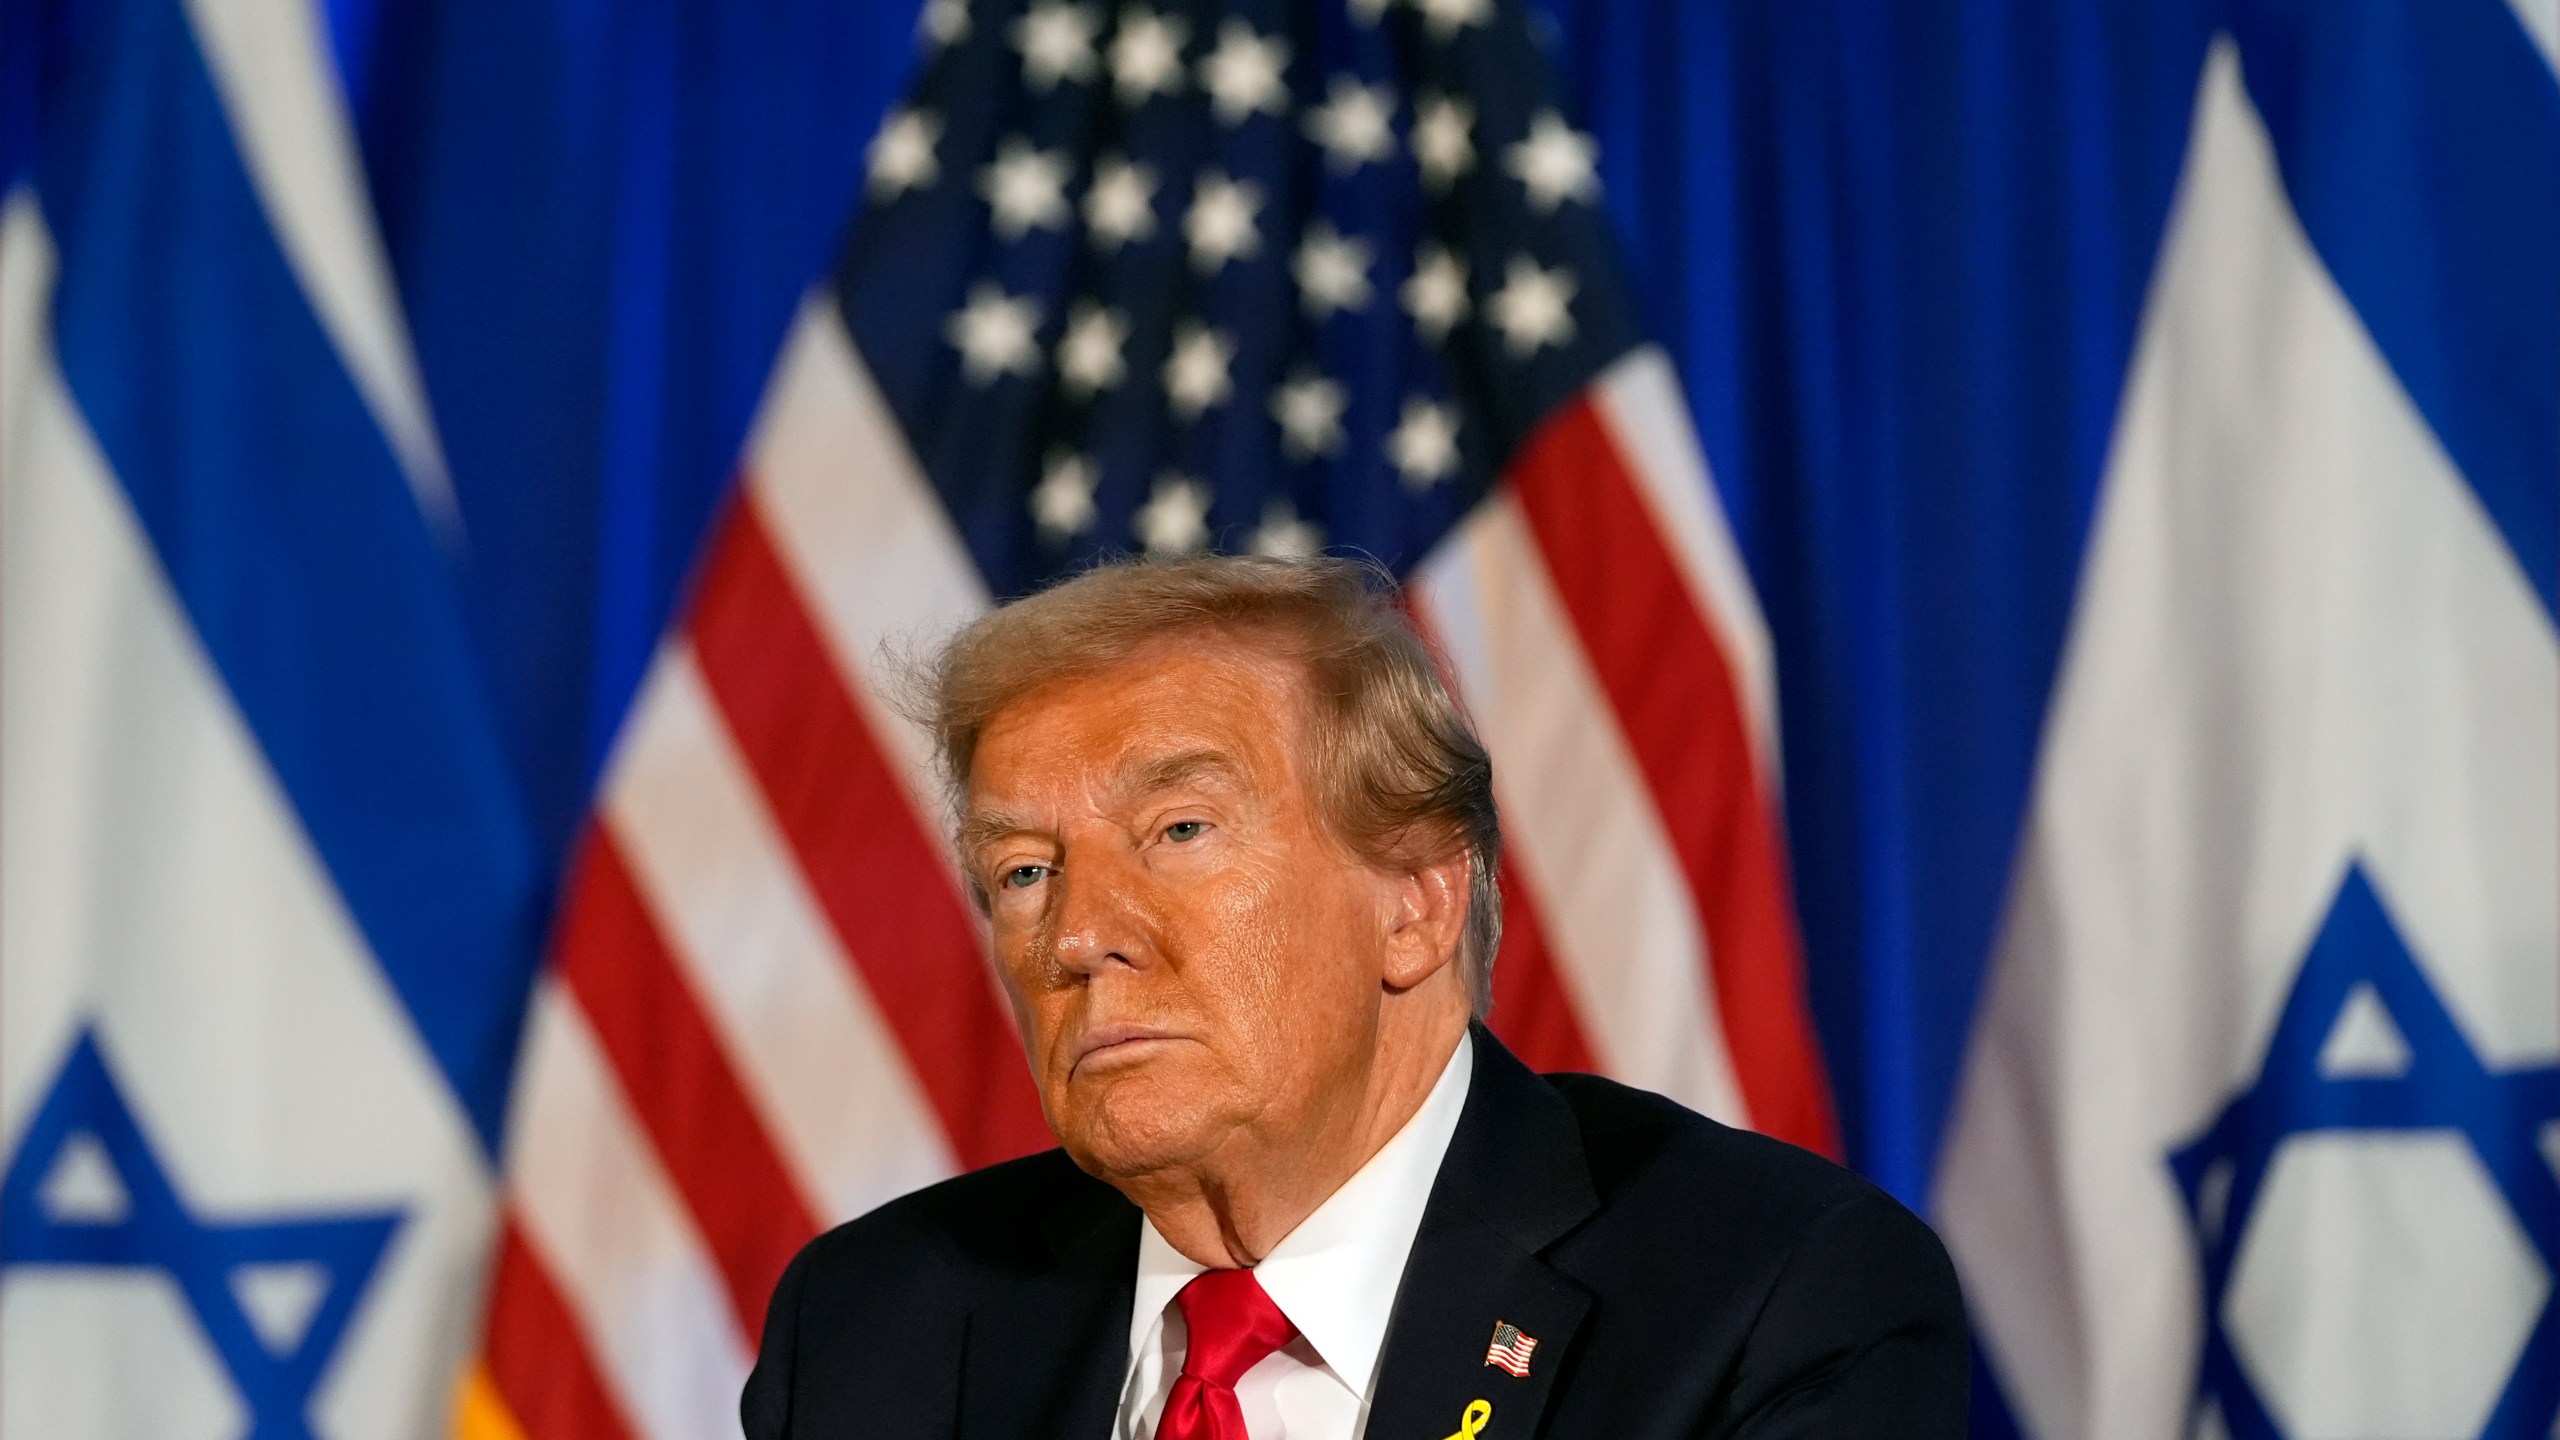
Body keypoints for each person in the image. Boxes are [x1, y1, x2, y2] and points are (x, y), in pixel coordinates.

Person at [741, 556, 1966, 1440]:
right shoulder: (870, 1329)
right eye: (1022, 871)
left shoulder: (1763, 1300)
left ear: (1417, 903)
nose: (1078, 936)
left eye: (1178, 828)